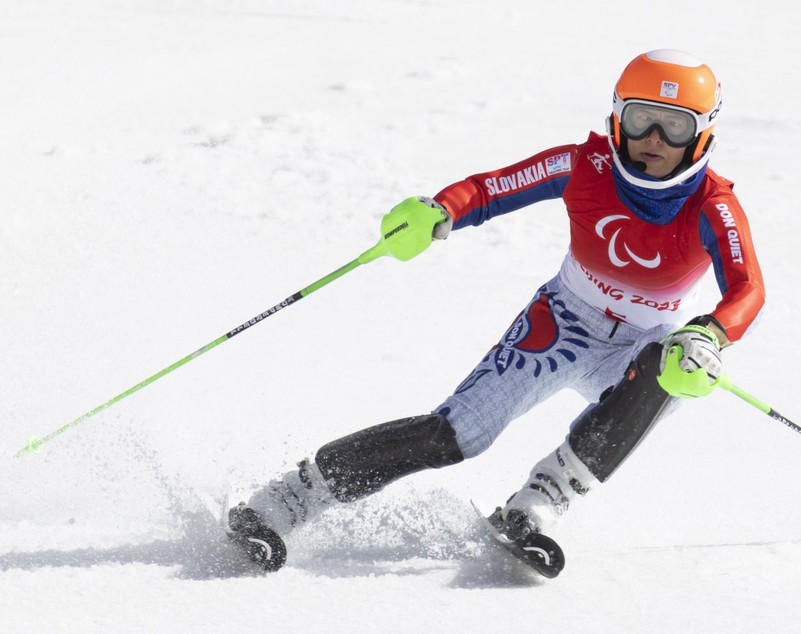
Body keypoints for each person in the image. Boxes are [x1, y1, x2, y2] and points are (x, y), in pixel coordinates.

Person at [226, 49, 765, 572]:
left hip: (641, 343)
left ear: (702, 134)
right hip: (565, 322)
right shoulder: (585, 163)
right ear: (616, 118)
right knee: (455, 435)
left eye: (673, 125)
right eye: (641, 118)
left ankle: (538, 505)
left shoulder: (713, 204)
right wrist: (439, 211)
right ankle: (286, 499)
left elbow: (748, 290)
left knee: (669, 370)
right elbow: (490, 189)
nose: (653, 139)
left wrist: (710, 336)